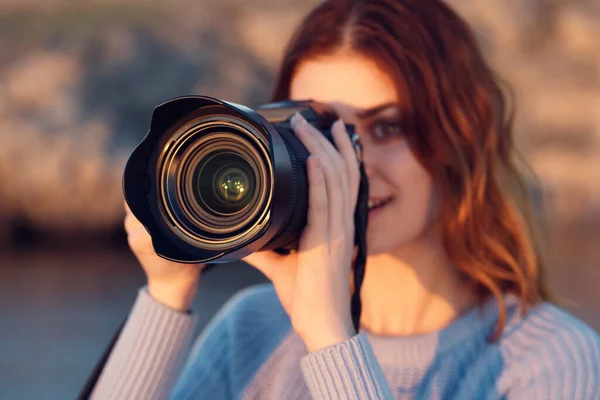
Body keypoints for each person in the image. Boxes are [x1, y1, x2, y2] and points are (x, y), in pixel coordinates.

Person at [90, 0, 600, 399]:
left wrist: (330, 337)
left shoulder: (547, 359)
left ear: (460, 136)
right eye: (322, 130)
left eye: (387, 127)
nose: (351, 164)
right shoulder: (252, 331)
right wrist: (168, 293)